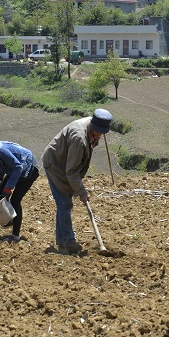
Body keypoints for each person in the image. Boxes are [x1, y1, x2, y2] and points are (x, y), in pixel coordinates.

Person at [41, 108, 112, 255]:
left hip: (65, 162)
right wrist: (82, 192)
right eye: (97, 131)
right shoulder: (79, 138)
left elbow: (73, 168)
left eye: (101, 132)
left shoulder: (92, 126)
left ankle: (62, 243)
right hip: (55, 164)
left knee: (63, 204)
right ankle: (68, 243)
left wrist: (96, 138)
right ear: (92, 122)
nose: (99, 134)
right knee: (64, 204)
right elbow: (71, 171)